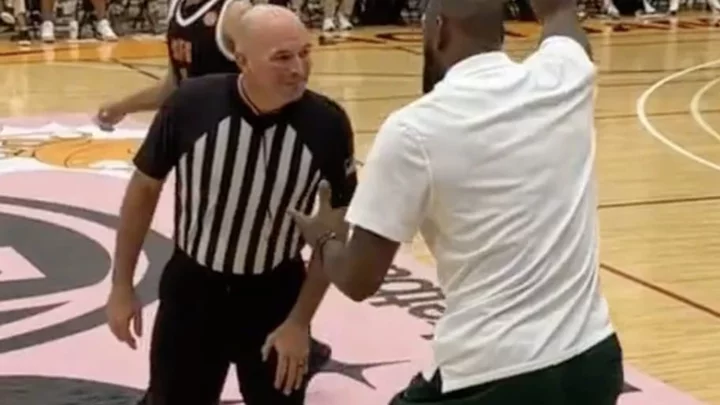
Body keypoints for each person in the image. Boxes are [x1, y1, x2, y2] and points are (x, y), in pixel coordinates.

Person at [288, 0, 624, 403]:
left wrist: (324, 239)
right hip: (594, 360)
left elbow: (360, 279)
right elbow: (560, 16)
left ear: (439, 28)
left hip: (493, 375)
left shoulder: (413, 130)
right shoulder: (562, 77)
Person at [105, 5, 357, 405]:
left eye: (305, 53)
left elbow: (335, 230)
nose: (299, 68)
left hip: (276, 297)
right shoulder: (191, 105)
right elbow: (143, 190)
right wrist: (121, 285)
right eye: (282, 57)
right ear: (242, 61)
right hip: (193, 292)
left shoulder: (327, 124)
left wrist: (300, 321)